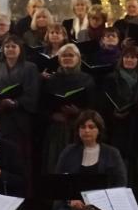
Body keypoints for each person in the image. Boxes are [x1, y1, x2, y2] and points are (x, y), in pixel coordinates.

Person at [0, 35, 40, 157]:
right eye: (7, 46)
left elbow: (33, 93)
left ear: (20, 49)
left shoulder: (30, 68)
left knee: (18, 156)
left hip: (19, 120)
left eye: (14, 46)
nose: (10, 49)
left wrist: (15, 103)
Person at [100, 45, 138, 180]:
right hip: (118, 128)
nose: (129, 60)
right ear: (122, 59)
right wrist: (113, 113)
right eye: (126, 57)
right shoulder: (111, 79)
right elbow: (103, 103)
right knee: (118, 168)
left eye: (133, 57)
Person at [40, 43, 97, 173]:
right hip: (56, 130)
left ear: (78, 58)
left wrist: (79, 112)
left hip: (79, 129)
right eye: (64, 55)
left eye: (71, 55)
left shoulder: (87, 79)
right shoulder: (51, 80)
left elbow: (94, 107)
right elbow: (41, 106)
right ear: (59, 59)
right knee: (55, 166)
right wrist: (51, 115)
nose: (67, 58)